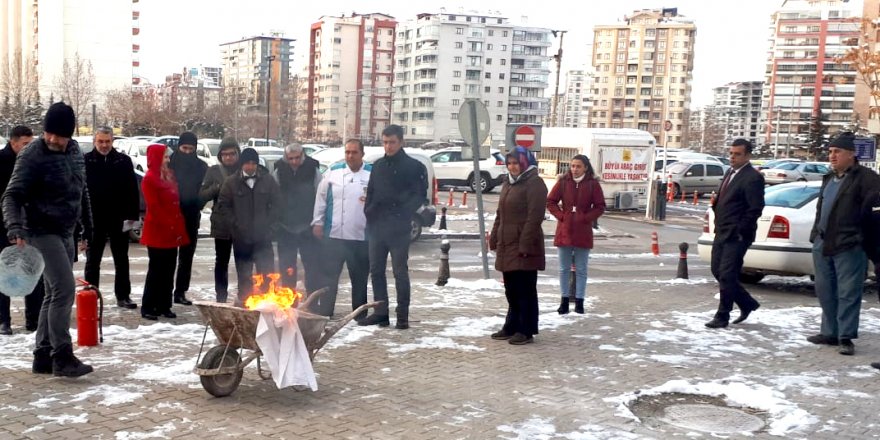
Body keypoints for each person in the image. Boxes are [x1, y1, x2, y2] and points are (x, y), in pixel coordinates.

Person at [1, 102, 94, 376]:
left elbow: (82, 190)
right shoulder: (32, 154)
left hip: (66, 229)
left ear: (69, 134)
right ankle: (62, 356)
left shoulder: (76, 151)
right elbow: (11, 195)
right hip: (40, 230)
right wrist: (15, 227)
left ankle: (42, 355)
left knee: (53, 293)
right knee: (65, 289)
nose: (52, 139)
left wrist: (89, 226)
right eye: (48, 133)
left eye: (59, 135)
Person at [807, 132, 880, 356]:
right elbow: (821, 210)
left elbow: (874, 213)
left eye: (837, 151)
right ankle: (829, 332)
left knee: (848, 292)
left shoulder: (866, 178)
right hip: (823, 242)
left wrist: (864, 238)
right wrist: (814, 235)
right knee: (825, 289)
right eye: (830, 151)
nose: (832, 156)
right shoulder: (829, 178)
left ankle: (846, 336)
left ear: (851, 154)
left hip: (849, 244)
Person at [360, 125, 428, 329]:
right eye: (385, 142)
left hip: (398, 228)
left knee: (400, 271)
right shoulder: (378, 165)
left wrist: (402, 212)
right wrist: (369, 211)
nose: (388, 146)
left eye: (392, 142)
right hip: (377, 226)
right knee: (376, 271)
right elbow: (370, 191)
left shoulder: (414, 166)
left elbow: (419, 196)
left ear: (401, 142)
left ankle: (402, 315)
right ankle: (381, 312)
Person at [488, 146, 547, 345]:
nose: (512, 167)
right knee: (511, 288)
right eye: (510, 163)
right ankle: (511, 325)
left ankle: (526, 329)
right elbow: (500, 214)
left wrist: (525, 243)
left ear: (525, 163)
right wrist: (494, 235)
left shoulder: (534, 183)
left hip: (524, 244)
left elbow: (535, 216)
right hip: (507, 242)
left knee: (525, 288)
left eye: (516, 163)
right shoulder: (509, 183)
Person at [705, 139, 764, 329]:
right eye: (731, 153)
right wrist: (716, 204)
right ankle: (747, 303)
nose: (732, 157)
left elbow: (755, 209)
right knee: (717, 270)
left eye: (737, 154)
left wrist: (740, 230)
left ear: (747, 156)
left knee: (727, 275)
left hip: (738, 235)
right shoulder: (730, 172)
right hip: (722, 231)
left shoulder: (752, 177)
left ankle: (722, 316)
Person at [311, 139, 371, 319]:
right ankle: (326, 312)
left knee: (359, 278)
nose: (350, 156)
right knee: (329, 277)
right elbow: (321, 199)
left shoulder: (372, 173)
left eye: (354, 152)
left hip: (361, 236)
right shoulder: (333, 172)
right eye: (347, 152)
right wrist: (318, 222)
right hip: (334, 235)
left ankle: (359, 314)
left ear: (362, 154)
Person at [83, 126, 140, 310]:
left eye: (107, 141)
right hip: (95, 220)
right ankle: (90, 296)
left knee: (121, 259)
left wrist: (132, 218)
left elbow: (133, 191)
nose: (104, 145)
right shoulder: (85, 162)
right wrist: (83, 221)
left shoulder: (123, 161)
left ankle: (123, 296)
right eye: (101, 141)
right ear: (95, 141)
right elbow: (80, 194)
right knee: (93, 261)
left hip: (119, 219)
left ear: (112, 141)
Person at [218, 148, 281, 304]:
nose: (250, 167)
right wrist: (235, 226)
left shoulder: (268, 181)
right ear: (241, 164)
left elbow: (278, 205)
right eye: (247, 163)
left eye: (254, 163)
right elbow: (224, 206)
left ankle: (267, 306)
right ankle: (246, 306)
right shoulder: (231, 182)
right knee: (244, 276)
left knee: (267, 274)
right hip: (242, 239)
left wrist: (270, 228)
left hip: (263, 238)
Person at [546, 154, 606, 315]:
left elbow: (600, 206)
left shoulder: (592, 184)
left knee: (581, 269)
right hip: (564, 231)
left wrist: (586, 218)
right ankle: (564, 301)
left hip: (583, 231)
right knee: (563, 269)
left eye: (578, 166)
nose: (574, 169)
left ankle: (580, 302)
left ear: (585, 167)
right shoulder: (563, 182)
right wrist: (562, 216)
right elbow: (550, 201)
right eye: (572, 166)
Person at [0, 125, 44, 335]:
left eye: (31, 143)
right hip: (4, 226)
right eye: (25, 144)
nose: (29, 148)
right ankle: (3, 320)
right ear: (13, 142)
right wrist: (10, 227)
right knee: (4, 274)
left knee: (33, 271)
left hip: (30, 226)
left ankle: (34, 319)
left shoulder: (32, 163)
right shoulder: (1, 162)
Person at [140, 144, 189, 321]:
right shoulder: (150, 179)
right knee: (156, 270)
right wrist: (169, 224)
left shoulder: (168, 176)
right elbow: (154, 207)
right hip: (158, 231)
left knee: (169, 269)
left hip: (171, 230)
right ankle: (148, 306)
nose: (168, 160)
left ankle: (164, 304)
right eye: (165, 157)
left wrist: (176, 226)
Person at [274, 143, 322, 292]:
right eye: (290, 159)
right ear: (285, 158)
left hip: (308, 226)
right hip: (285, 226)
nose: (294, 162)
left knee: (312, 265)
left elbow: (320, 194)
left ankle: (313, 301)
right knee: (287, 266)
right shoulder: (278, 169)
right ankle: (289, 300)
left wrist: (317, 221)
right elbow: (273, 195)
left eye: (297, 158)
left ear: (302, 155)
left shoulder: (313, 168)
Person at [199, 137, 240, 303]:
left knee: (243, 262)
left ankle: (244, 295)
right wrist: (216, 188)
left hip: (241, 224)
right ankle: (221, 297)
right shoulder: (214, 171)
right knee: (221, 262)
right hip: (222, 224)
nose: (228, 157)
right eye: (225, 154)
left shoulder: (244, 169)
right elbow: (201, 197)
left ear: (238, 154)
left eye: (232, 154)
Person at [168, 131, 207, 306]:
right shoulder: (170, 163)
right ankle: (166, 290)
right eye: (184, 148)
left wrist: (198, 202)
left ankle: (181, 291)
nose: (188, 152)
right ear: (179, 146)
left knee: (186, 256)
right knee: (168, 256)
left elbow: (203, 191)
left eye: (191, 149)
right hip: (171, 214)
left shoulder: (201, 166)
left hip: (191, 215)